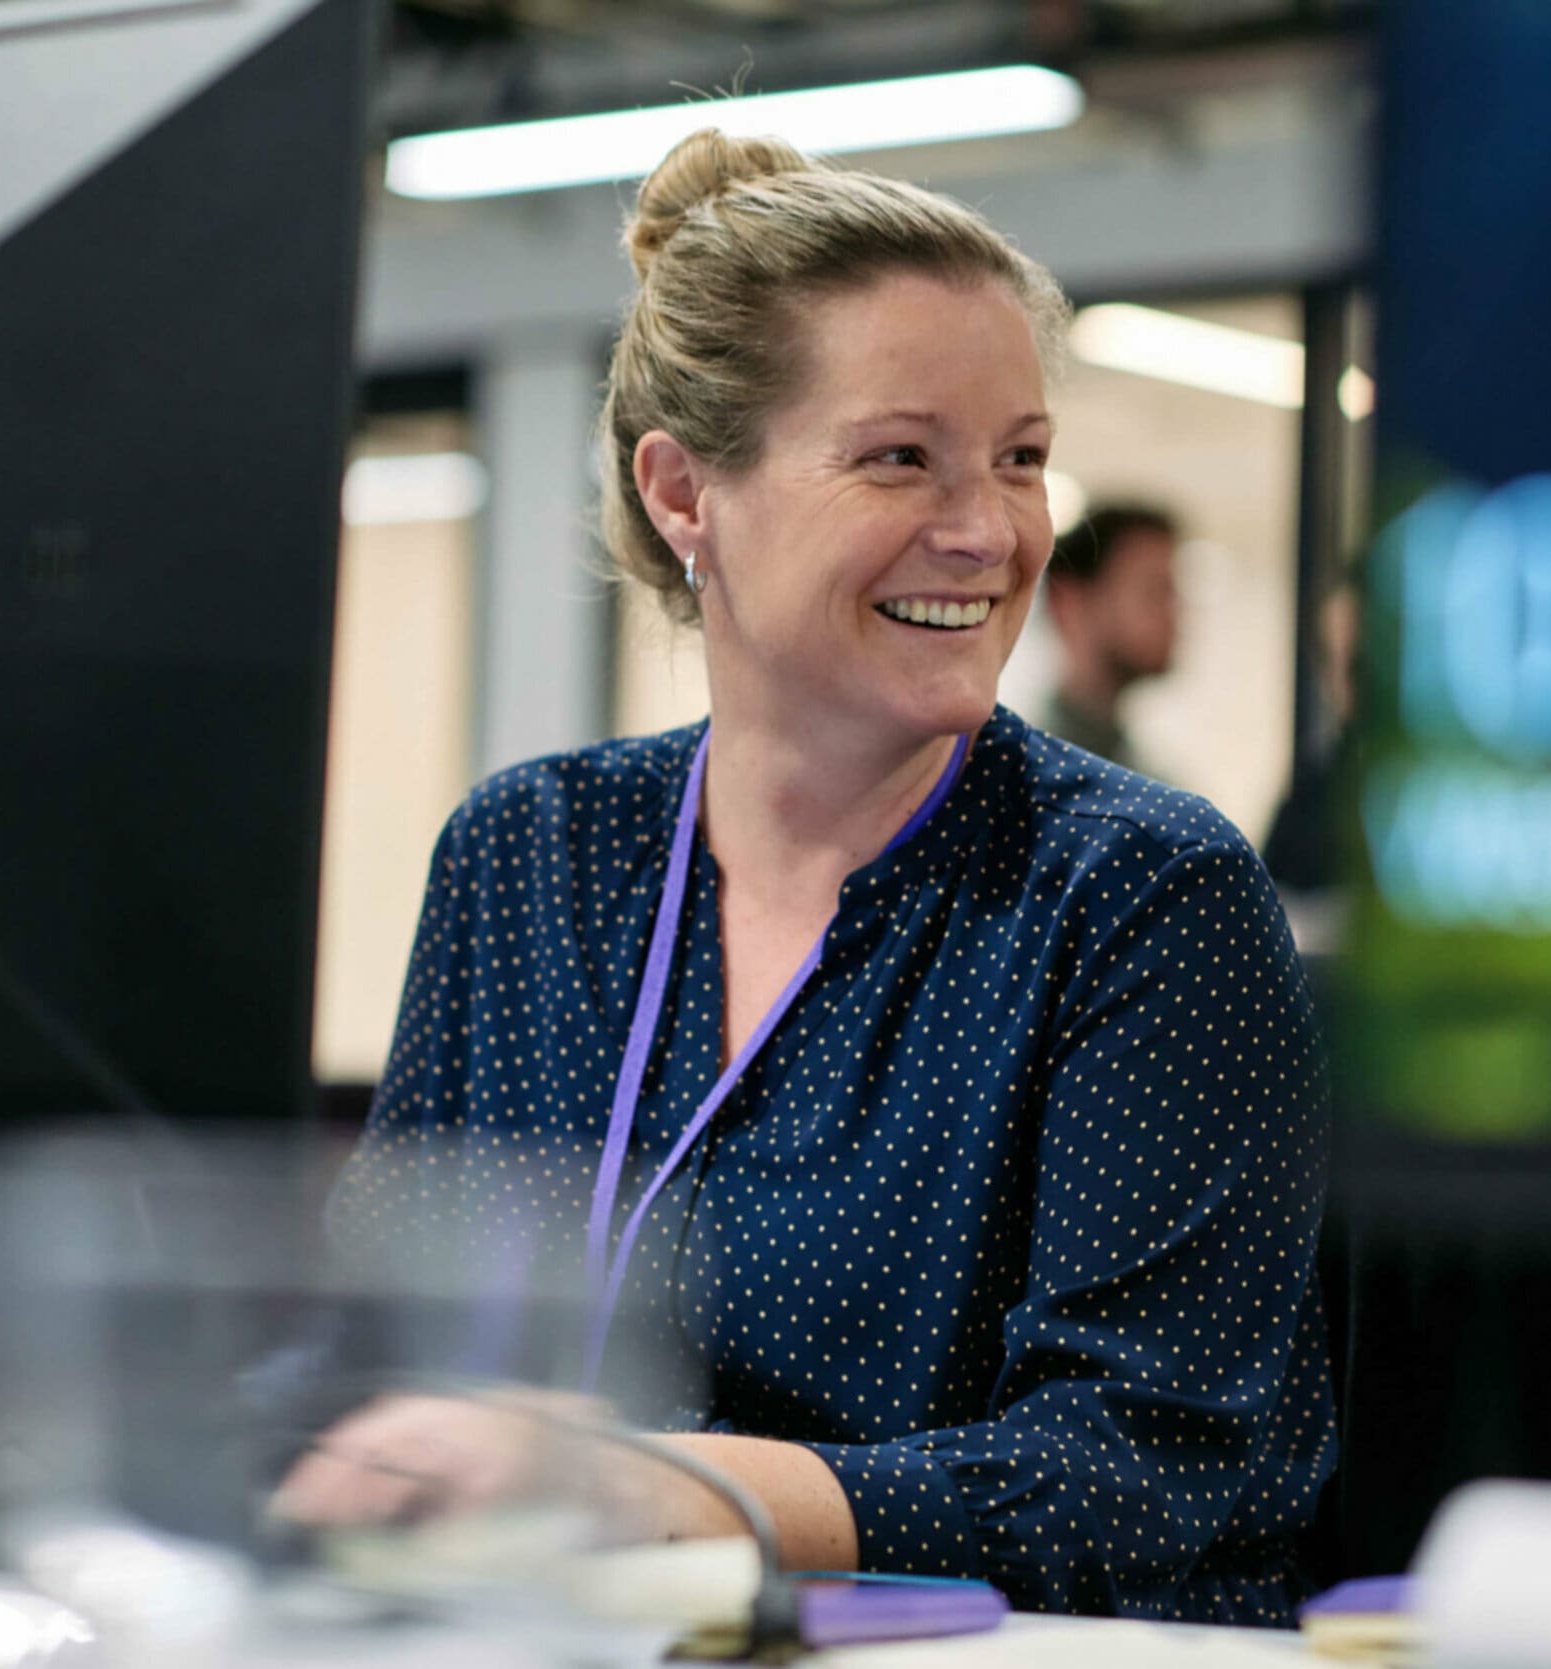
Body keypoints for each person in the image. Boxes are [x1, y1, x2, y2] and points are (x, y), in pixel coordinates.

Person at [301, 128, 1336, 1627]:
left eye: (1023, 459)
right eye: (900, 457)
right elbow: (383, 1348)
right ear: (684, 494)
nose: (989, 532)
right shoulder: (527, 857)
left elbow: (1139, 1470)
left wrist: (658, 1489)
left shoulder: (1138, 896)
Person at [1039, 503, 1183, 774]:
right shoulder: (1014, 774)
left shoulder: (1153, 777)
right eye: (1154, 592)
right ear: (1068, 604)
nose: (1174, 614)